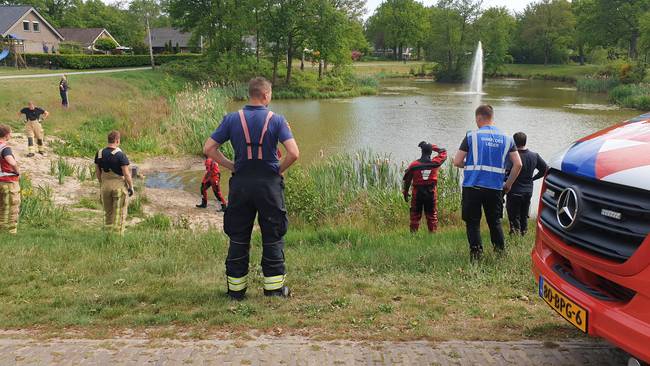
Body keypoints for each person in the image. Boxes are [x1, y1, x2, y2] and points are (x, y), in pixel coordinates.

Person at [204, 77, 299, 300]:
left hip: (241, 186)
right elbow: (294, 153)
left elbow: (209, 148)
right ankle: (274, 290)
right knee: (273, 235)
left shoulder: (231, 119)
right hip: (269, 187)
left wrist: (231, 165)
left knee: (238, 235)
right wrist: (277, 170)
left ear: (251, 94)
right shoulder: (277, 120)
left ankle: (236, 291)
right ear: (265, 95)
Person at [453, 105, 522, 261]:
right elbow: (518, 164)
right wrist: (508, 184)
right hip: (495, 187)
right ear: (492, 117)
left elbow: (457, 161)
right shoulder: (507, 138)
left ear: (479, 118)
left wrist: (469, 165)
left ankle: (476, 254)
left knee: (472, 221)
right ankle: (500, 253)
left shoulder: (471, 136)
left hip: (473, 186)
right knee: (494, 221)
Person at [505, 132, 548, 236]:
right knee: (524, 215)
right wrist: (533, 178)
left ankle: (515, 235)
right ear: (525, 141)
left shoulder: (512, 156)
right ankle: (523, 233)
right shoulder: (534, 156)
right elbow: (545, 169)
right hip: (528, 191)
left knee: (513, 216)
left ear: (514, 143)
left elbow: (505, 172)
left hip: (514, 191)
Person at [402, 141, 447, 233]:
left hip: (417, 193)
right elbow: (443, 152)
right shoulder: (435, 163)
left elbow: (407, 181)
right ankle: (432, 235)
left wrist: (405, 193)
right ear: (431, 152)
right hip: (431, 193)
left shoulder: (414, 165)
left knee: (415, 215)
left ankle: (413, 236)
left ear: (421, 151)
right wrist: (432, 146)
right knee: (432, 216)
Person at [95, 131, 134, 235]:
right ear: (117, 141)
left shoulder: (99, 153)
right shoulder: (120, 155)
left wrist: (102, 183)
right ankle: (117, 236)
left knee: (108, 213)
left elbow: (98, 172)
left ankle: (107, 235)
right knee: (120, 213)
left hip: (105, 186)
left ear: (108, 140)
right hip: (119, 187)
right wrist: (131, 187)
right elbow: (126, 174)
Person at [0, 125, 21, 235]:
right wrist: (17, 170)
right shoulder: (5, 148)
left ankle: (1, 228)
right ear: (6, 135)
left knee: (1, 206)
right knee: (11, 206)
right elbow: (11, 161)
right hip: (8, 181)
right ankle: (10, 231)